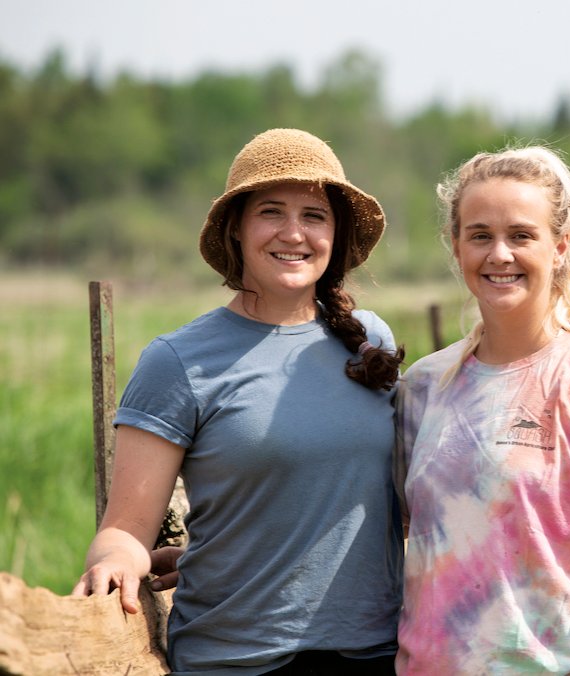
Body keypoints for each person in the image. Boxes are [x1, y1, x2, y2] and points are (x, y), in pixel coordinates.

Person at [72, 128, 405, 675]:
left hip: (374, 652)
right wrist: (115, 562)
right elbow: (125, 529)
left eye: (315, 215)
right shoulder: (178, 361)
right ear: (236, 229)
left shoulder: (370, 342)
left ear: (335, 233)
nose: (294, 233)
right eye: (271, 211)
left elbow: (382, 499)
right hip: (236, 659)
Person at [393, 146, 570, 674]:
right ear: (456, 248)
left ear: (561, 246)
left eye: (521, 235)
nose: (499, 254)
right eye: (480, 235)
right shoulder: (423, 387)